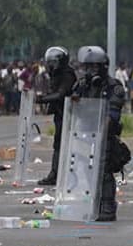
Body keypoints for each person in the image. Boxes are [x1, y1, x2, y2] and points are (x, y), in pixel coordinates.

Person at [71, 46, 127, 221]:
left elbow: (113, 114)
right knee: (87, 169)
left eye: (94, 67)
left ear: (103, 67)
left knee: (103, 171)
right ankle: (94, 204)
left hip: (104, 135)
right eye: (86, 67)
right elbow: (73, 110)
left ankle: (108, 206)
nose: (89, 71)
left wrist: (103, 133)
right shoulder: (81, 85)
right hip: (85, 132)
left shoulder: (114, 87)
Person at [35, 46, 77, 186]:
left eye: (53, 62)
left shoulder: (67, 74)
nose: (50, 66)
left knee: (65, 145)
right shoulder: (57, 74)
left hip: (68, 114)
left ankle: (59, 174)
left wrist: (42, 99)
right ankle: (56, 174)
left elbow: (61, 94)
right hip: (60, 114)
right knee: (59, 144)